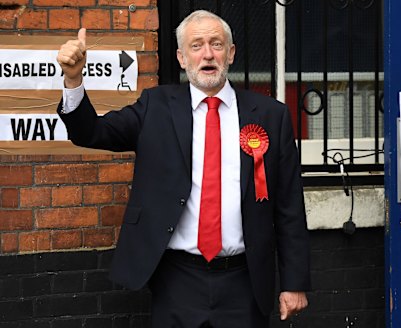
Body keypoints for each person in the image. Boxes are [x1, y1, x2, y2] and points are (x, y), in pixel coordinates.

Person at [56, 10, 310, 328]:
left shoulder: (272, 116)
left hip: (244, 281)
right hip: (177, 279)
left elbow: (289, 206)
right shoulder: (155, 107)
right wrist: (74, 80)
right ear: (181, 57)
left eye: (216, 44)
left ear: (230, 53)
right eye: (196, 45)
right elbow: (90, 132)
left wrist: (294, 281)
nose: (207, 54)